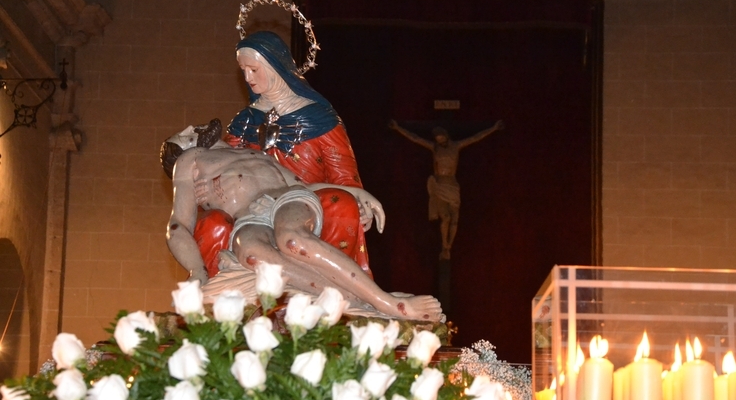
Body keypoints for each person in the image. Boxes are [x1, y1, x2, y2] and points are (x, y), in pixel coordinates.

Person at [161, 126, 442, 321]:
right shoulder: (191, 160)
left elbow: (303, 185)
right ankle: (357, 300)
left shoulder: (256, 153)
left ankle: (388, 303)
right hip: (249, 218)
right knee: (252, 255)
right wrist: (197, 270)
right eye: (184, 135)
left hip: (287, 199)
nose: (191, 127)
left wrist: (356, 192)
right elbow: (178, 225)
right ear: (183, 150)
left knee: (292, 240)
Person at [223, 30, 372, 275]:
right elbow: (225, 168)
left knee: (342, 204)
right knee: (214, 222)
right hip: (254, 205)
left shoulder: (319, 119)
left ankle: (335, 283)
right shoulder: (244, 121)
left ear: (274, 66)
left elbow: (344, 176)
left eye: (254, 69)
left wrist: (359, 202)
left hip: (310, 202)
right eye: (243, 70)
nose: (248, 77)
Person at [388, 119, 504, 259]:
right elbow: (415, 138)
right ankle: (444, 245)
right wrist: (398, 128)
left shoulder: (456, 146)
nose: (439, 140)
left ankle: (449, 246)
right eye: (437, 139)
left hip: (452, 184)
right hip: (440, 184)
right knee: (446, 218)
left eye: (441, 137)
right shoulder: (434, 148)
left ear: (446, 136)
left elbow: (475, 138)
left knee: (454, 219)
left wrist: (493, 128)